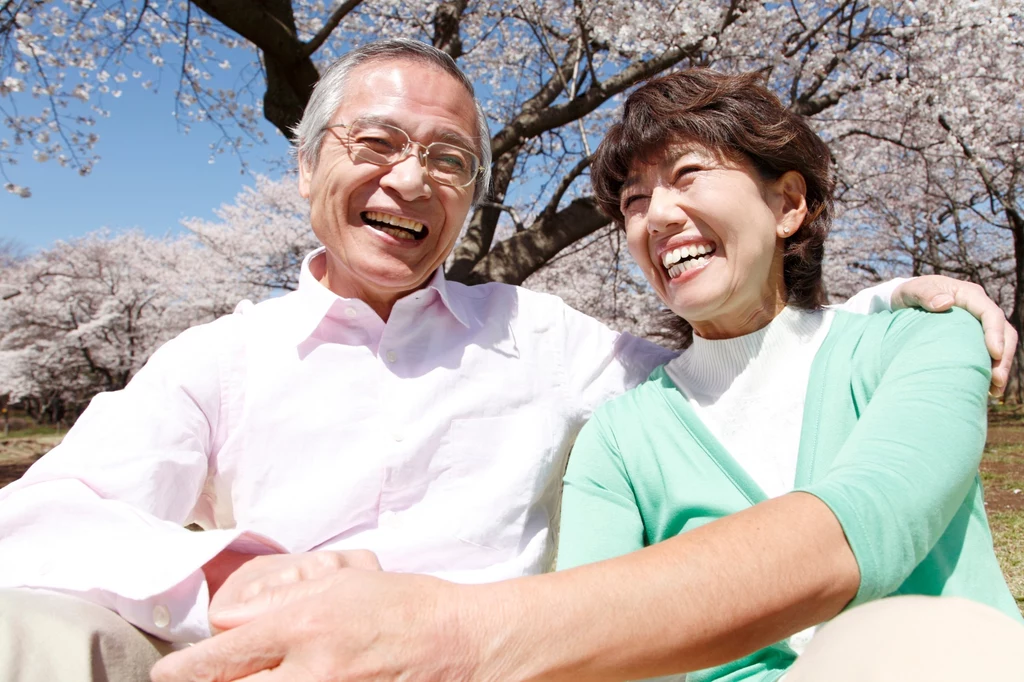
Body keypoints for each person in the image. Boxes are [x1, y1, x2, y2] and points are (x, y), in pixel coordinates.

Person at [0, 40, 1013, 682]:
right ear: (308, 164)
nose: (411, 177)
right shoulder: (216, 359)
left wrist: (883, 305)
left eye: (448, 160)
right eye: (377, 141)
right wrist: (235, 583)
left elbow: (748, 353)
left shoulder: (547, 340)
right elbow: (35, 520)